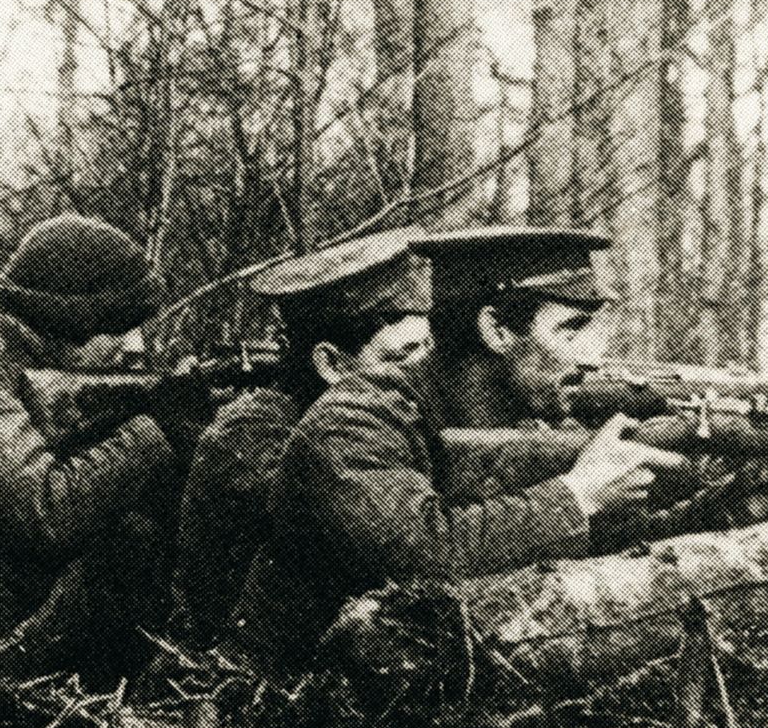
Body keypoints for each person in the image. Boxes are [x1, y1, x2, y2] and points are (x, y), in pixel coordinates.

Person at [229, 225, 682, 673]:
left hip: (425, 691)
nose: (591, 356)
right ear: (496, 330)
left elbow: (601, 548)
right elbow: (422, 554)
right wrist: (578, 496)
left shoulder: (519, 420)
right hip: (286, 711)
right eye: (571, 330)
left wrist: (719, 503)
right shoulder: (353, 419)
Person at [0, 212, 198, 701]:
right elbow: (45, 512)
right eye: (117, 325)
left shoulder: (17, 367)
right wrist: (156, 431)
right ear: (66, 318)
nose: (131, 344)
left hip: (21, 640)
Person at [165, 228, 429, 653]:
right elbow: (367, 546)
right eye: (400, 357)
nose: (420, 375)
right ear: (331, 363)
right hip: (228, 683)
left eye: (426, 351)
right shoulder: (252, 435)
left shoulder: (370, 424)